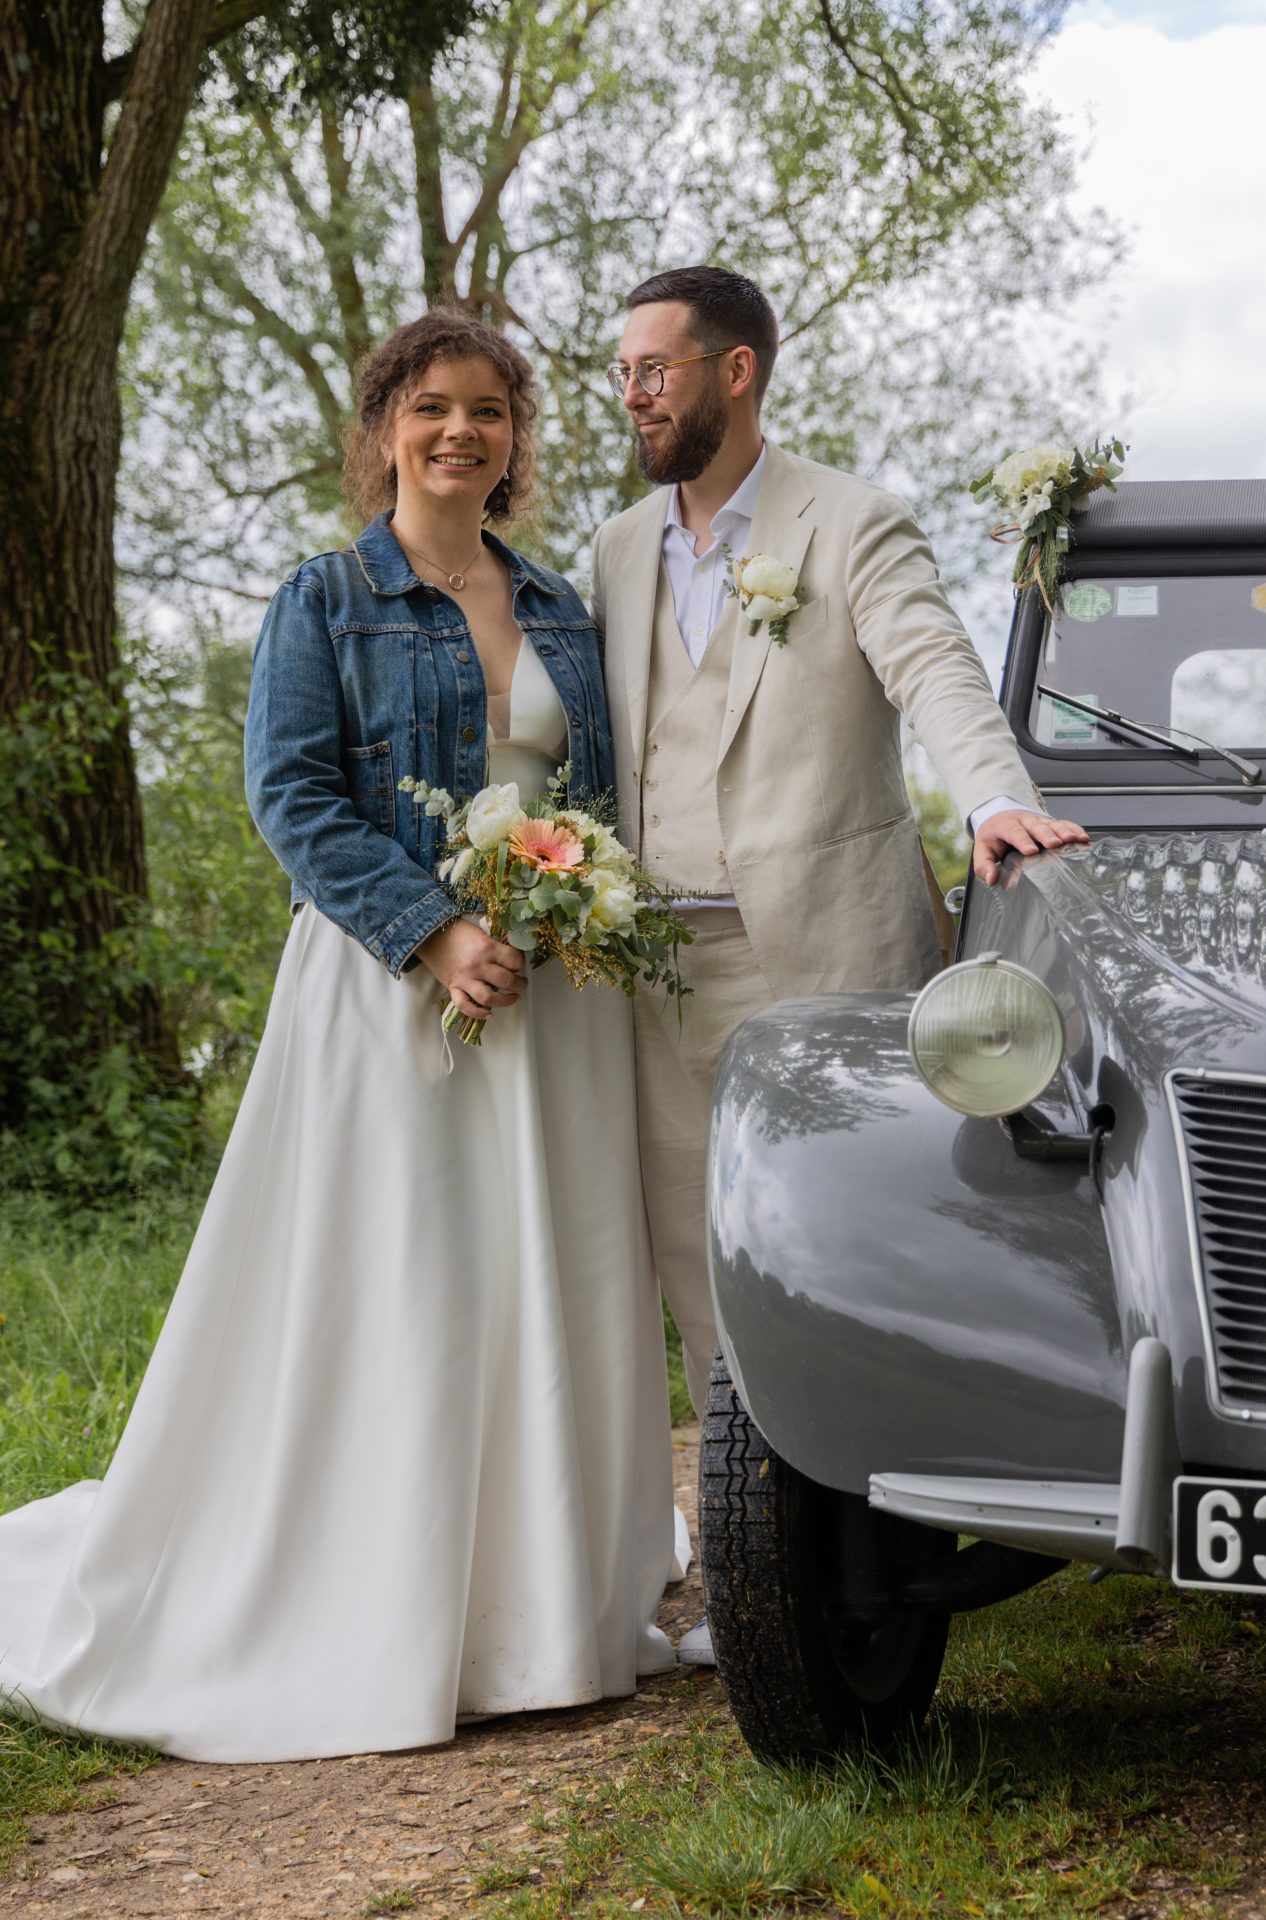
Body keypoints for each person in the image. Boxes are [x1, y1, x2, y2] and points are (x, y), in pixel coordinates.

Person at [0, 310, 677, 1762]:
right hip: (391, 993)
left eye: (489, 411)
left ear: (514, 439)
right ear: (383, 430)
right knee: (412, 1284)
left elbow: (600, 795)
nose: (460, 433)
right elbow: (292, 797)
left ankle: (546, 1612)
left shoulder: (562, 603)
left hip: (552, 1002)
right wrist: (434, 930)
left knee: (542, 1276)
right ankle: (383, 1607)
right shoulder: (327, 597)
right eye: (432, 407)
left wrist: (571, 910)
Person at [590, 265, 1088, 1666]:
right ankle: (759, 1576)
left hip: (826, 960)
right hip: (652, 969)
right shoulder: (618, 547)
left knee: (833, 1260)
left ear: (734, 371)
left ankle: (870, 1580)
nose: (632, 394)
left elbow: (932, 667)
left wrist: (993, 798)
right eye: (622, 373)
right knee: (698, 1264)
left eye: (653, 370)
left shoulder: (848, 521)